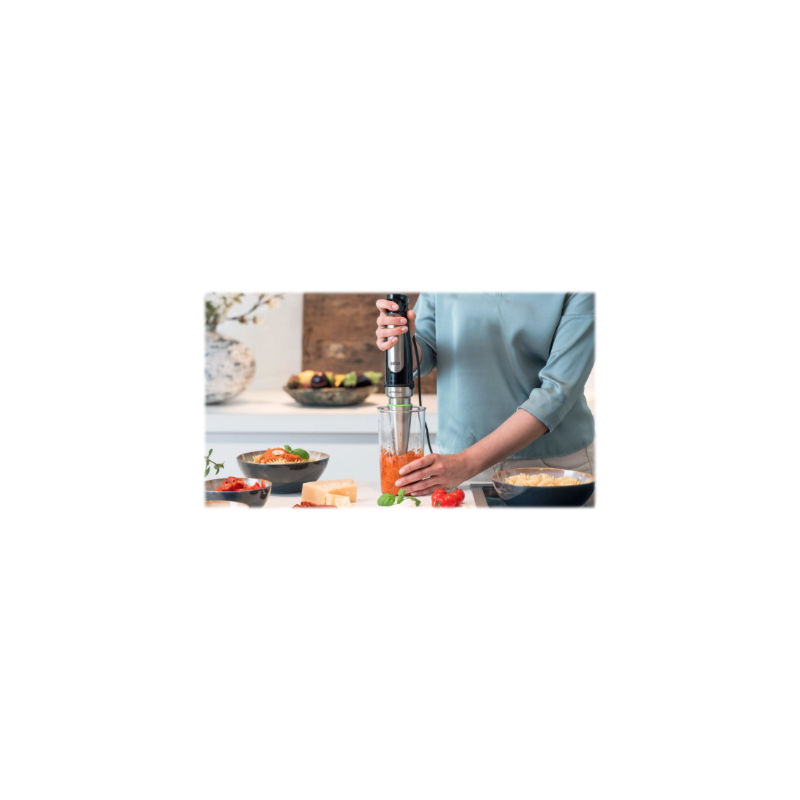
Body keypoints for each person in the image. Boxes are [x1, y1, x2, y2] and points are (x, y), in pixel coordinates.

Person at [374, 293, 595, 501]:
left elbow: (558, 391)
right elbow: (425, 349)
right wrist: (402, 342)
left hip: (548, 468)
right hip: (454, 467)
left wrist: (466, 463)